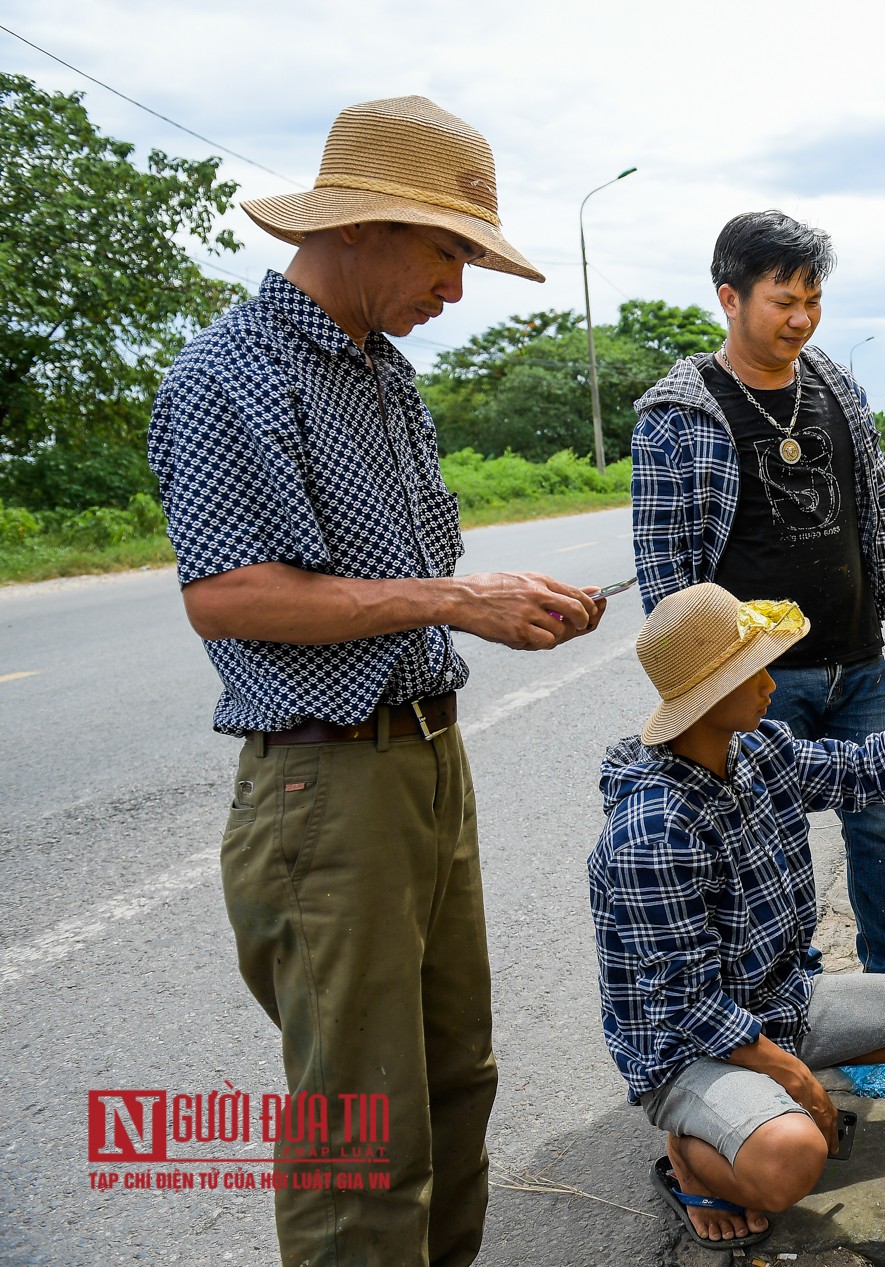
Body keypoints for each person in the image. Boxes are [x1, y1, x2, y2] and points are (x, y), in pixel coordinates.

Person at [146, 96, 603, 1267]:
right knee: (363, 1128)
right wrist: (456, 602)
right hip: (324, 786)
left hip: (425, 767)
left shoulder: (386, 379)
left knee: (456, 1078)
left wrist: (503, 604)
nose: (456, 288)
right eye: (447, 250)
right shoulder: (227, 374)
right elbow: (230, 595)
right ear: (357, 228)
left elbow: (418, 570)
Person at [589, 584, 885, 1248]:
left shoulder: (758, 751)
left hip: (780, 1001)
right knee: (795, 1157)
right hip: (689, 1048)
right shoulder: (655, 829)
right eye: (752, 671)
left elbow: (861, 770)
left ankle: (753, 1107)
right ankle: (690, 1156)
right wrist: (797, 1077)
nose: (772, 685)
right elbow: (688, 1004)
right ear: (706, 697)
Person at [629, 211, 885, 983]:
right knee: (765, 846)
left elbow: (877, 511)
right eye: (783, 300)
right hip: (757, 681)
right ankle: (786, 1002)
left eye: (813, 299)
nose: (801, 318)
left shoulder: (837, 387)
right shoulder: (678, 414)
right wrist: (702, 692)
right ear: (730, 298)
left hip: (857, 659)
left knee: (883, 825)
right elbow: (665, 570)